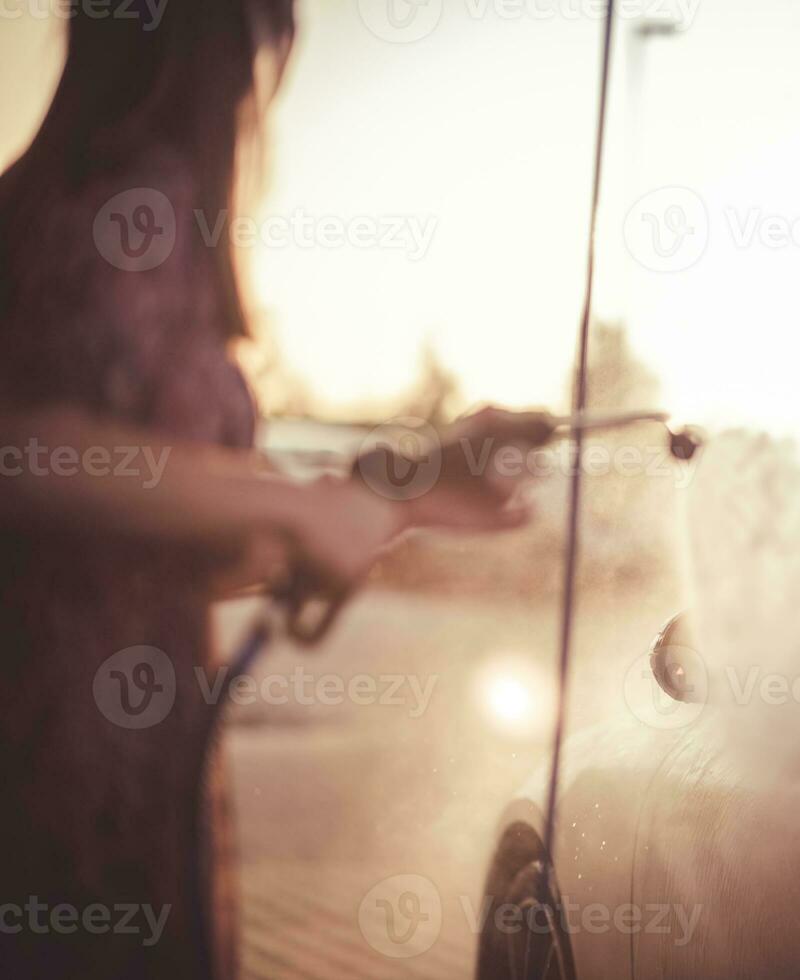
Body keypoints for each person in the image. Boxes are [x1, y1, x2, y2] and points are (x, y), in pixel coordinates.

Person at [0, 3, 551, 975]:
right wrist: (298, 507)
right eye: (265, 37)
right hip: (60, 797)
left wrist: (402, 489)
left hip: (129, 793)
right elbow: (30, 458)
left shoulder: (53, 207)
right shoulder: (135, 205)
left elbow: (143, 546)